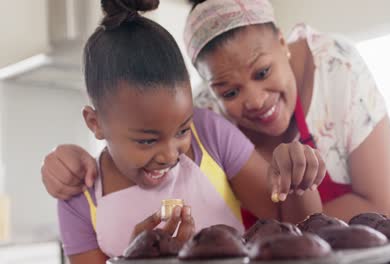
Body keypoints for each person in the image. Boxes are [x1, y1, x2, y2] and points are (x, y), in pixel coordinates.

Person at [43, 0, 390, 223]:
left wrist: (271, 240)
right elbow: (135, 143)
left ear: (281, 42)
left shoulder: (335, 67)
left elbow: (384, 204)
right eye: (229, 90)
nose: (256, 99)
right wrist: (76, 161)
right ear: (209, 89)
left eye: (262, 72)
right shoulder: (200, 119)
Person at [54, 0, 324, 263]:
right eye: (147, 140)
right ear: (95, 123)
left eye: (182, 130)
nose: (170, 155)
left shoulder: (207, 132)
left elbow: (288, 223)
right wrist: (136, 258)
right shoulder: (79, 197)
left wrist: (296, 177)